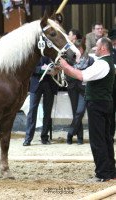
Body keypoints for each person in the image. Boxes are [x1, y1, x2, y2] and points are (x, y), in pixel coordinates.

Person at [59, 37, 116, 182]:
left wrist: (64, 65)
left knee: (98, 140)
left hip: (97, 104)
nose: (94, 49)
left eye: (96, 47)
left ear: (103, 48)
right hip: (105, 103)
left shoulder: (102, 64)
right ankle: (110, 172)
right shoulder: (107, 62)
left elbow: (80, 75)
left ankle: (103, 174)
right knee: (106, 139)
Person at [23, 57, 58, 146]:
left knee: (47, 112)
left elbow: (58, 66)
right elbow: (29, 67)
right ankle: (28, 138)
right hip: (36, 83)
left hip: (50, 83)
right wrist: (42, 69)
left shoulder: (52, 52)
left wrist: (56, 70)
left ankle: (44, 137)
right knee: (32, 111)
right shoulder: (35, 51)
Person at [66, 39, 94, 145]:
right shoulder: (70, 60)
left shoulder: (90, 60)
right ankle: (79, 137)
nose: (78, 50)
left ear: (83, 48)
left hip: (84, 89)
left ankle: (70, 133)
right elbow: (67, 74)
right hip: (72, 88)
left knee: (80, 112)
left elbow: (91, 75)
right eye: (76, 48)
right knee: (75, 113)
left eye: (80, 48)